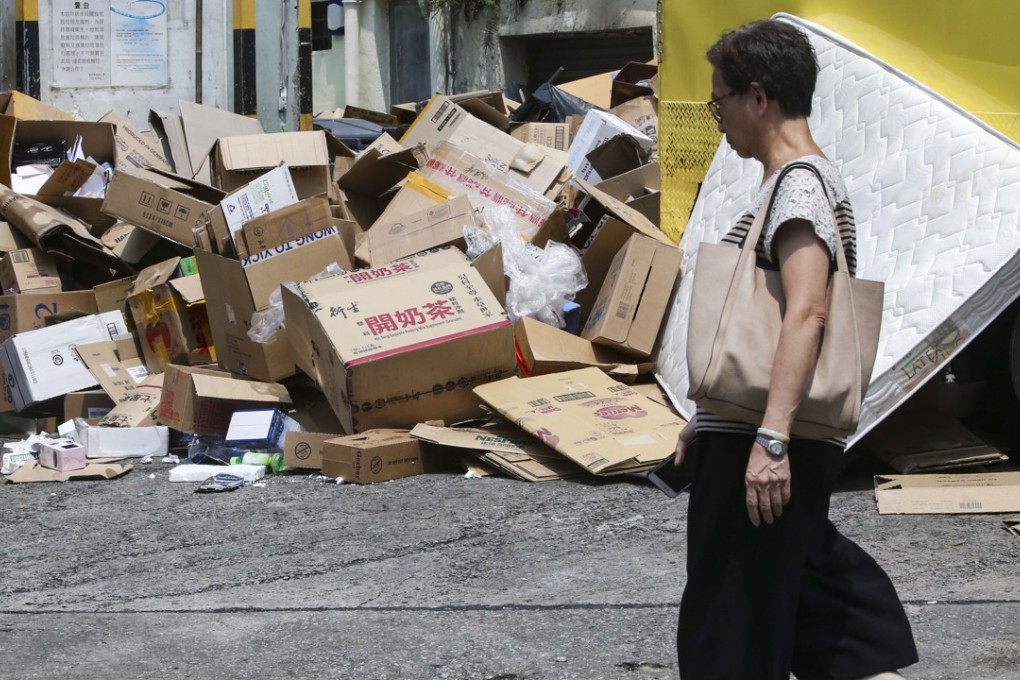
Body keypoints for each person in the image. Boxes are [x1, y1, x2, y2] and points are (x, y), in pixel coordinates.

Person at [671, 19, 919, 680]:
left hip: (764, 445)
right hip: (752, 433)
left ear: (759, 99)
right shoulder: (795, 183)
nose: (716, 116)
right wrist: (711, 415)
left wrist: (771, 441)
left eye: (719, 100)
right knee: (807, 610)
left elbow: (805, 311)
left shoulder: (800, 187)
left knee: (729, 631)